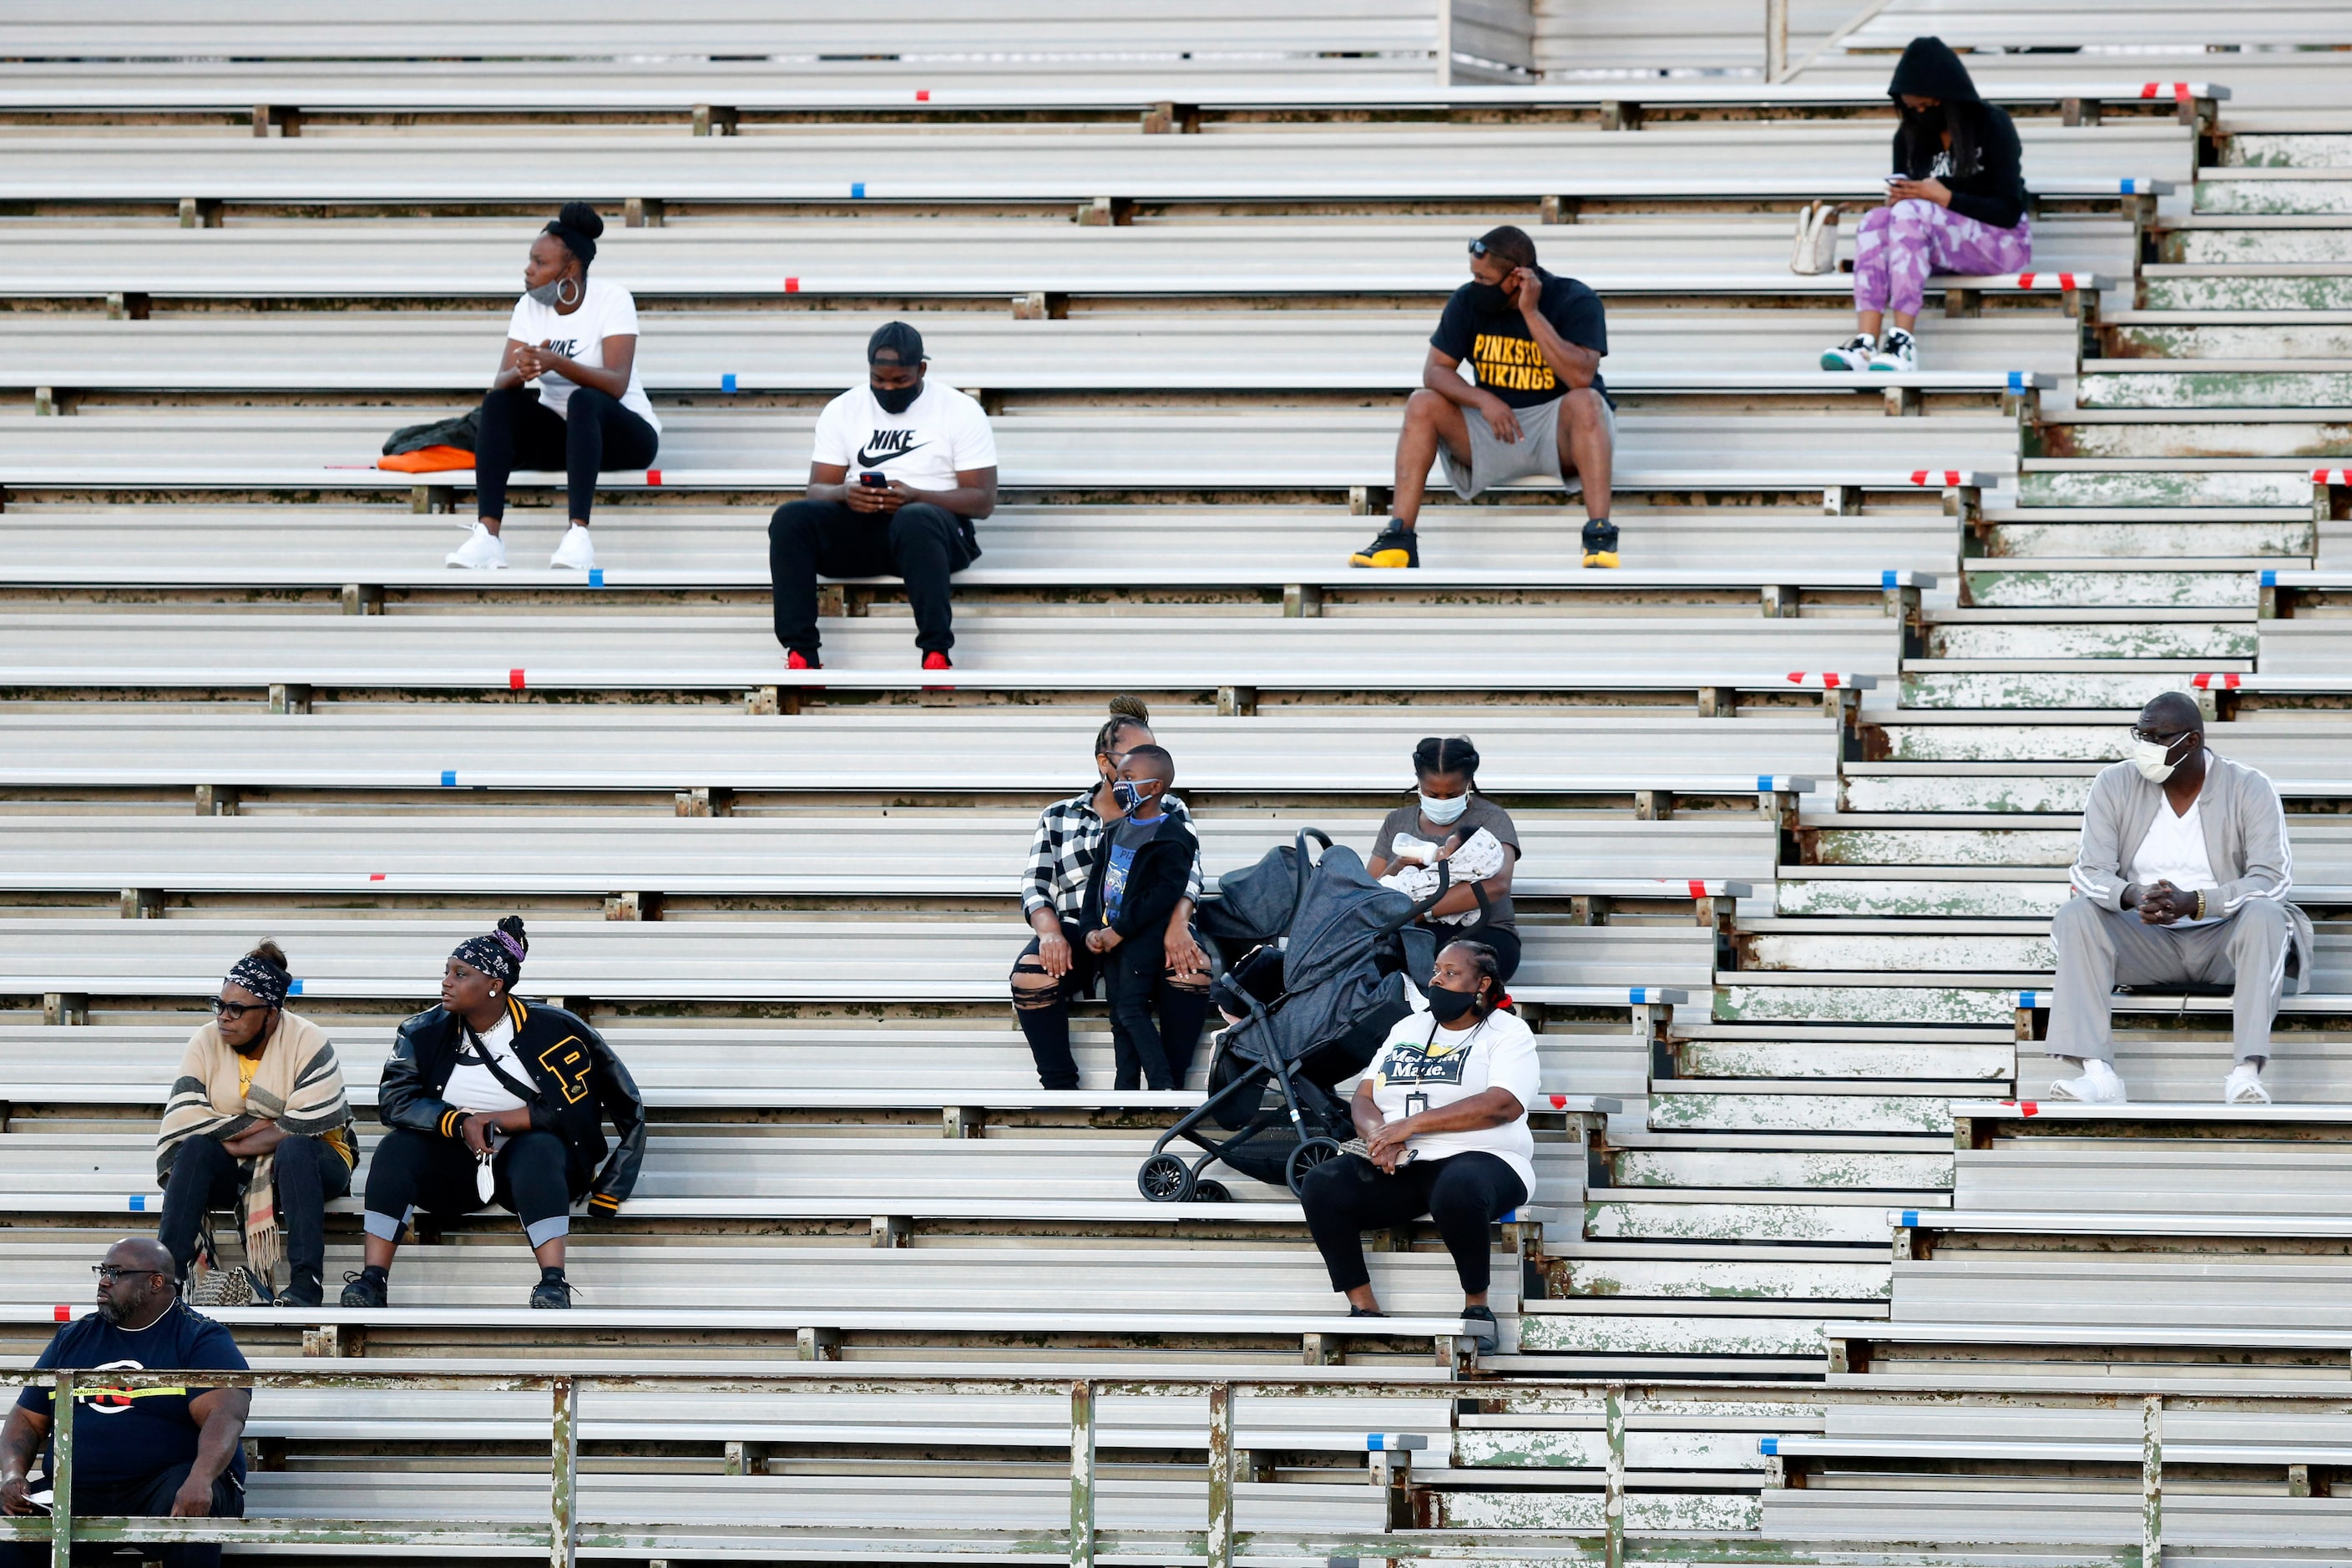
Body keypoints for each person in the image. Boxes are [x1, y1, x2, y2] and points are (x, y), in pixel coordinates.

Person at [341, 918, 645, 1309]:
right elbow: (395, 1102)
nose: (446, 981)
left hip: (536, 1166)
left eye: (461, 973)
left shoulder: (554, 1029)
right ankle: (372, 1281)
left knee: (539, 1150)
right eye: (447, 971)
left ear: (494, 985)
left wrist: (495, 1122)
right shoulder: (421, 1030)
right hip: (457, 1165)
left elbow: (576, 1109)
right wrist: (459, 1123)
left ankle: (554, 1282)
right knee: (395, 1150)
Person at [2050, 691, 2312, 1106]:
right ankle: (2098, 1074)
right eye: (2140, 734)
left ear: (2191, 741)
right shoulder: (2114, 782)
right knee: (2076, 914)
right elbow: (2088, 872)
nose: (2144, 746)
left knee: (2267, 914)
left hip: (2224, 941)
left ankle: (2245, 1074)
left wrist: (2199, 902)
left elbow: (2272, 879)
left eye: (2157, 737)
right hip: (2145, 939)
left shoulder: (2249, 786)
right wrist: (2133, 895)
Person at [1298, 941, 1534, 1353]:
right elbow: (1364, 1096)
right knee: (1322, 1182)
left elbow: (1504, 1103)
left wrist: (1407, 1126)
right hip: (1405, 1160)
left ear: (1482, 984)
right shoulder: (1407, 1028)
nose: (1437, 980)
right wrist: (1379, 1137)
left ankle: (1477, 1307)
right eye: (1437, 971)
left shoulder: (1508, 1031)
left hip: (1485, 1156)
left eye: (1451, 973)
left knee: (1458, 1189)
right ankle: (1364, 1309)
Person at [1353, 225, 1616, 572]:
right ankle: (1398, 539)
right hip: (1495, 429)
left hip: (1557, 432)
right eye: (1474, 276)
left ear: (1518, 278)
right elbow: (1435, 371)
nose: (1476, 284)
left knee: (1587, 402)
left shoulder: (1574, 299)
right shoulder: (1467, 300)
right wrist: (1482, 400)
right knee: (1422, 403)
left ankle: (1599, 536)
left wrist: (1531, 313)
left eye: (1484, 279)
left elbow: (1581, 376)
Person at [0, 1238, 249, 1566]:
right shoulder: (73, 1337)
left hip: (166, 1486)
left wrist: (201, 1479)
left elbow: (225, 1415)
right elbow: (27, 1419)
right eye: (102, 1271)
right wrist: (11, 1475)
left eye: (116, 1273)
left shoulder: (199, 1337)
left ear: (156, 1282)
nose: (104, 1281)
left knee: (193, 1513)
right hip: (80, 1490)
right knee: (8, 1519)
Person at [768, 321, 999, 674]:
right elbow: (816, 489)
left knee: (915, 517)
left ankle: (936, 655)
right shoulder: (844, 408)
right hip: (864, 535)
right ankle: (801, 654)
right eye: (879, 379)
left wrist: (916, 496)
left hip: (934, 537)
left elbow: (982, 501)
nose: (888, 387)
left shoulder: (960, 409)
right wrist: (845, 494)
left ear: (921, 369)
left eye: (900, 380)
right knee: (790, 519)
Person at [448, 201, 661, 573]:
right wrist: (523, 369)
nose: (528, 271)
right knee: (498, 402)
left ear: (571, 269)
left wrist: (557, 362)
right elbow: (500, 381)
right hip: (565, 442)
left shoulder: (611, 300)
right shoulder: (528, 308)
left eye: (540, 263)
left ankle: (578, 535)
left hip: (625, 436)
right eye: (530, 261)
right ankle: (488, 537)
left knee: (584, 401)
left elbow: (616, 382)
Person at [1013, 697, 1211, 1091]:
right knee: (1030, 975)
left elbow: (1188, 876)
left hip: (1149, 928)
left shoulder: (1170, 810)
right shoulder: (1059, 815)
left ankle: (1168, 1086)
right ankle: (1060, 1087)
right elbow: (1035, 885)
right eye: (1131, 756)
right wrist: (1051, 933)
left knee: (1194, 967)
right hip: (1083, 931)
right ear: (1106, 763)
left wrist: (1178, 924)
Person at [155, 940, 356, 1308]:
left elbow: (301, 1126)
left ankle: (305, 1284)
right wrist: (260, 1132)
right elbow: (185, 1120)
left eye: (236, 1009)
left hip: (315, 1163)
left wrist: (227, 1137)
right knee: (196, 1149)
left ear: (271, 1014)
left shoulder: (308, 1041)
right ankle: (166, 1280)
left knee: (294, 1148)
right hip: (237, 1167)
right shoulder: (205, 1041)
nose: (223, 1017)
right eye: (219, 1005)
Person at [1823, 37, 2030, 375]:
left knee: (1907, 212)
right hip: (1934, 245)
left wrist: (1943, 196)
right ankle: (1865, 343)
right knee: (1877, 219)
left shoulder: (1992, 124)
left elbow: (2007, 210)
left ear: (1948, 99)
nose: (1920, 115)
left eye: (1927, 106)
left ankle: (1903, 341)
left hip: (2002, 243)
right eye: (1912, 108)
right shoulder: (1908, 136)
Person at [1365, 736, 1523, 984]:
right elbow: (1369, 892)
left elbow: (1496, 885)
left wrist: (1417, 913)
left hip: (1483, 934)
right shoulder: (1397, 822)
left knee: (1451, 963)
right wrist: (1397, 866)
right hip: (1413, 932)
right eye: (1432, 793)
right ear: (1418, 783)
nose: (1442, 802)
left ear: (1469, 783)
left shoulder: (1491, 819)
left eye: (1452, 794)